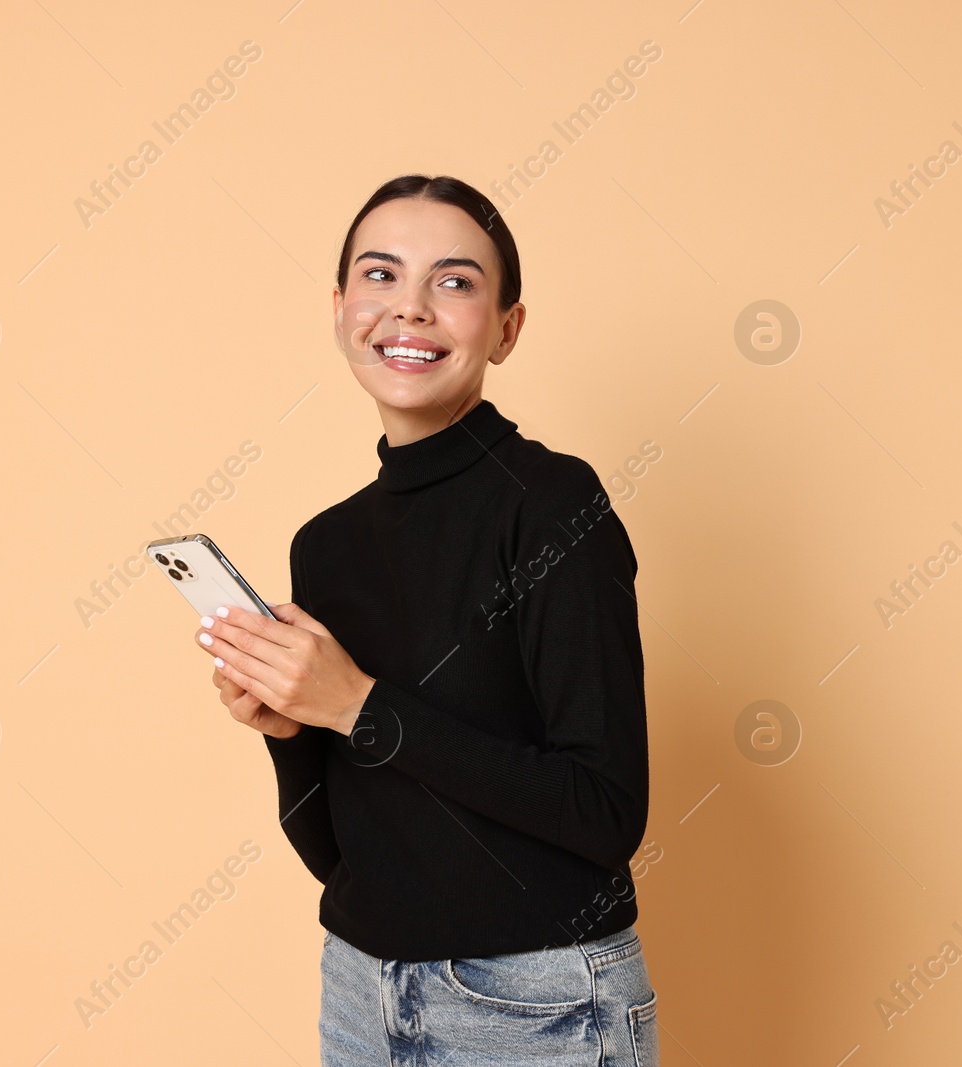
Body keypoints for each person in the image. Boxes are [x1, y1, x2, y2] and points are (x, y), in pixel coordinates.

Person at [192, 174, 659, 1065]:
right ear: (339, 310)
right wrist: (292, 725)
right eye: (379, 276)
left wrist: (361, 706)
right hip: (362, 989)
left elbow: (605, 811)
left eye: (453, 282)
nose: (408, 311)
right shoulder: (324, 544)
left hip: (535, 1007)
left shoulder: (555, 504)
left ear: (508, 327)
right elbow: (343, 852)